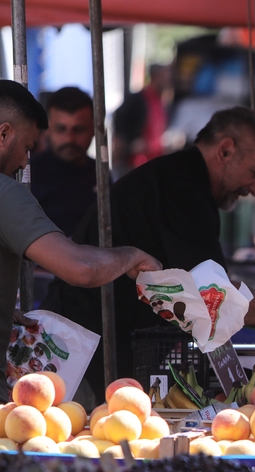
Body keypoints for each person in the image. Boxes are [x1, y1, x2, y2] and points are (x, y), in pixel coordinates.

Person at [44, 107, 255, 402]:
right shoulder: (181, 188)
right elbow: (216, 298)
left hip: (100, 344)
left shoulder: (181, 180)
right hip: (80, 352)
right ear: (225, 150)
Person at [0, 80, 161, 388]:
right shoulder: (7, 193)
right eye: (26, 148)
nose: (24, 162)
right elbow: (82, 269)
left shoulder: (97, 174)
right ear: (4, 134)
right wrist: (132, 256)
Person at [29, 86, 97, 236]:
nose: (69, 139)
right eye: (61, 129)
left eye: (78, 129)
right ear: (47, 129)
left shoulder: (100, 174)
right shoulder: (27, 175)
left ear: (94, 129)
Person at [112, 64, 172, 177]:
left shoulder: (162, 102)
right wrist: (130, 141)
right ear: (156, 76)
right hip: (135, 162)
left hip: (153, 161)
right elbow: (119, 118)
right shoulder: (138, 99)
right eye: (164, 76)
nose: (167, 80)